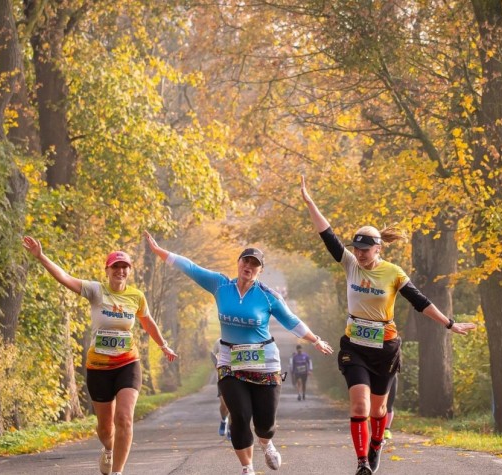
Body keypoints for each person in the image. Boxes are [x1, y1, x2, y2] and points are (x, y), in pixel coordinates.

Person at [299, 177, 476, 475]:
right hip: (354, 346)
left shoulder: (393, 273)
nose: (360, 254)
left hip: (385, 348)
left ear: (379, 248)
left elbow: (419, 301)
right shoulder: (349, 264)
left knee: (379, 411)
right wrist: (309, 201)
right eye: (356, 249)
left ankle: (377, 443)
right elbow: (326, 234)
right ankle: (362, 463)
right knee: (359, 407)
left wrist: (449, 324)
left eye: (365, 250)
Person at [145, 232, 333, 475]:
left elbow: (292, 322)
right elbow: (190, 268)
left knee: (265, 424)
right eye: (246, 261)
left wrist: (315, 340)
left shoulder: (268, 296)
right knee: (240, 416)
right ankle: (247, 468)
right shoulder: (220, 285)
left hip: (265, 363)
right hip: (230, 362)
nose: (249, 266)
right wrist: (161, 252)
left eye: (254, 264)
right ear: (238, 263)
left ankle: (267, 442)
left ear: (260, 270)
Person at [22, 236, 177, 475]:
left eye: (125, 267)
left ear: (129, 271)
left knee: (124, 418)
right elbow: (65, 278)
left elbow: (148, 323)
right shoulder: (96, 290)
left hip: (128, 363)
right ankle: (108, 449)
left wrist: (163, 345)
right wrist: (41, 257)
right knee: (106, 429)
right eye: (116, 266)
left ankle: (117, 472)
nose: (121, 271)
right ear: (107, 270)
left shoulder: (136, 296)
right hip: (98, 367)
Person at [212, 339, 231, 439]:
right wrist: (217, 366)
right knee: (225, 405)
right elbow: (212, 354)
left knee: (235, 405)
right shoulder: (220, 341)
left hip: (239, 377)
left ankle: (231, 429)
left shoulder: (245, 340)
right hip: (223, 377)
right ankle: (224, 419)